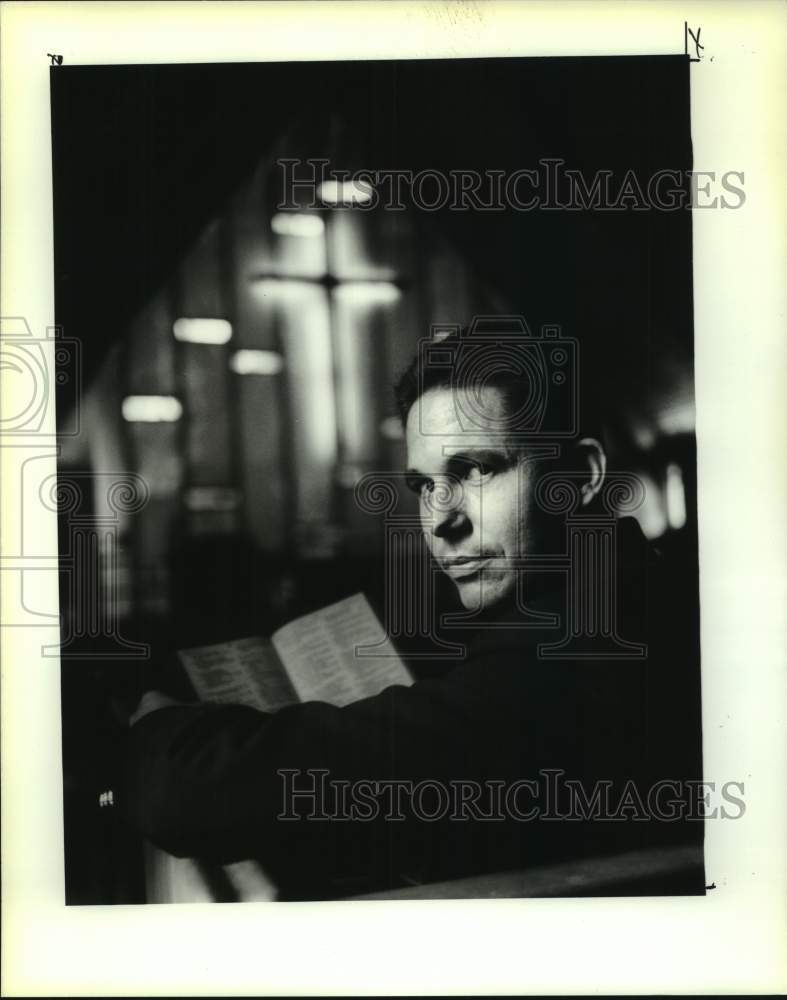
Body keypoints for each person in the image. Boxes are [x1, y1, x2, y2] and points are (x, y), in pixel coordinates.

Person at [125, 324, 704, 900]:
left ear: (581, 476)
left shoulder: (571, 662)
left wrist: (156, 723)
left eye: (475, 469)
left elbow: (184, 792)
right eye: (424, 486)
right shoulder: (628, 596)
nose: (441, 520)